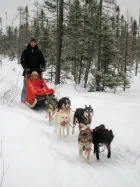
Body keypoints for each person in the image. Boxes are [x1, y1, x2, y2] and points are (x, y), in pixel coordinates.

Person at [20, 38, 46, 102]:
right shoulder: (25, 51)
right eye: (31, 42)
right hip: (28, 71)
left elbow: (43, 61)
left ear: (36, 43)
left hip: (37, 72)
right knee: (26, 85)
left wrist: (42, 67)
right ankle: (23, 98)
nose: (33, 43)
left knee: (39, 85)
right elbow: (22, 61)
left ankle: (40, 96)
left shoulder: (39, 51)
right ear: (30, 43)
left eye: (34, 42)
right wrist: (26, 68)